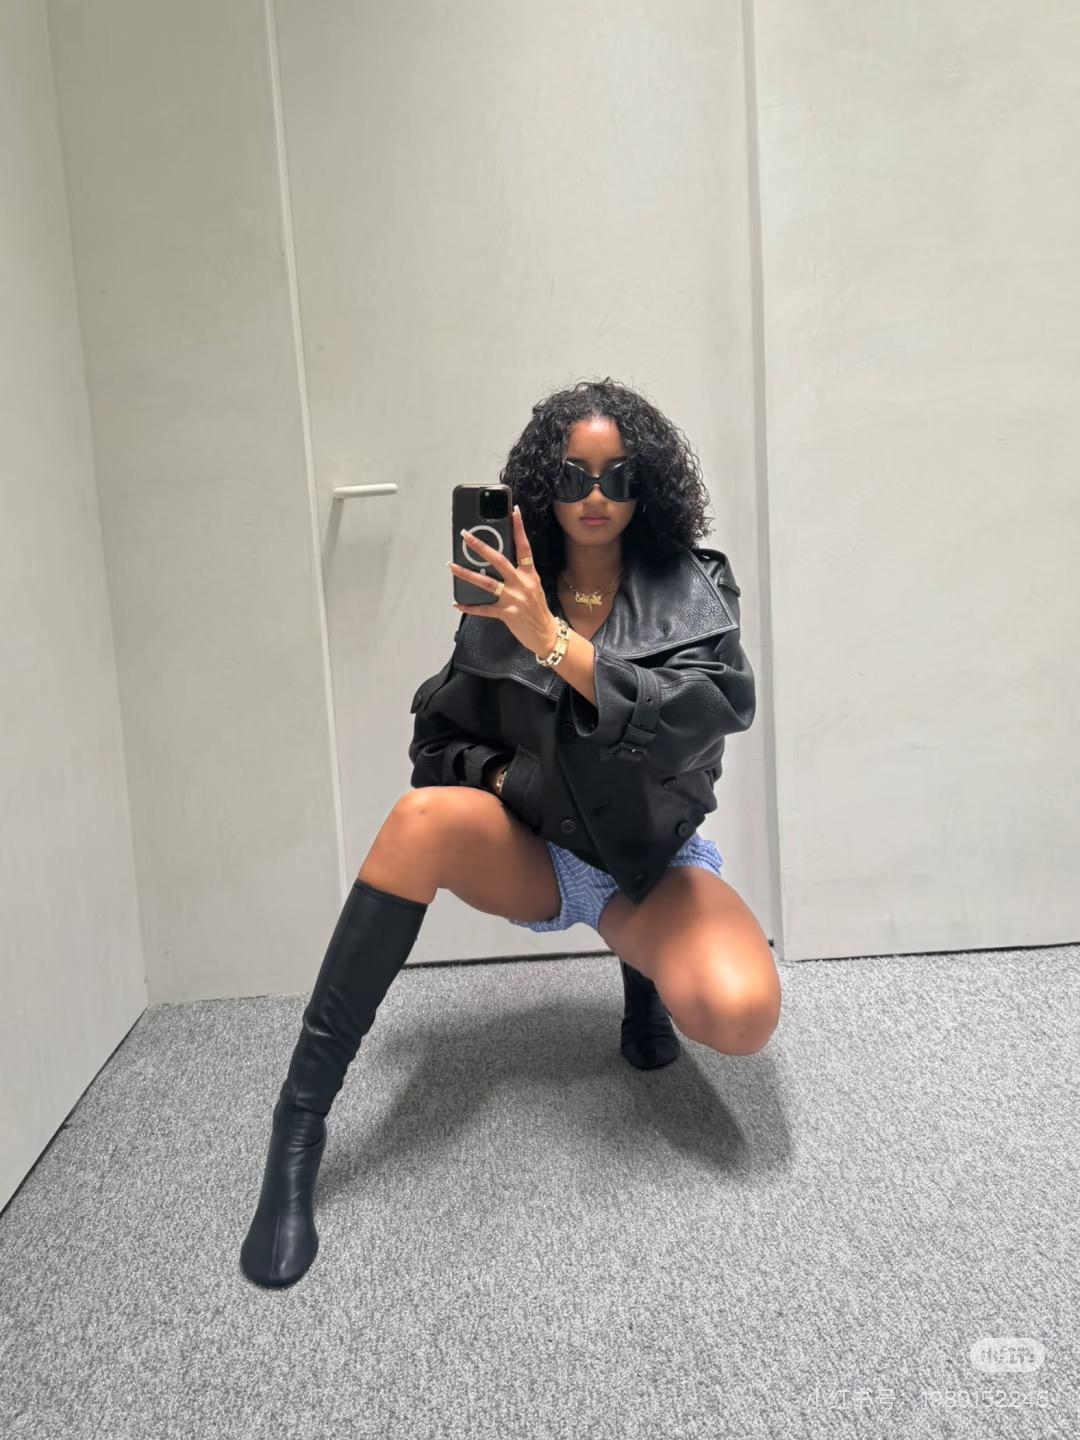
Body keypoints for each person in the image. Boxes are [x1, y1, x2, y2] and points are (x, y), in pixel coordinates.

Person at [240, 378, 780, 1289]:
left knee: (741, 1014)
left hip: (649, 861)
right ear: (543, 486)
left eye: (617, 473)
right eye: (572, 474)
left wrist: (556, 643)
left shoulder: (695, 584)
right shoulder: (502, 595)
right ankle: (297, 1126)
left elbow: (708, 712)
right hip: (541, 851)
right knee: (417, 820)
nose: (595, 494)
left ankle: (644, 987)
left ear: (649, 483)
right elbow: (437, 744)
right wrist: (505, 779)